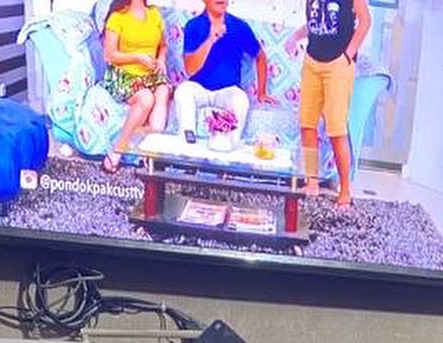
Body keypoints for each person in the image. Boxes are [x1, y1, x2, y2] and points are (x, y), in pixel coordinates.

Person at [286, 0, 370, 207]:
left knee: (336, 130)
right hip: (312, 61)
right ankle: (312, 181)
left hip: (338, 64)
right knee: (307, 124)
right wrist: (295, 37)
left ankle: (345, 190)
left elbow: (365, 21)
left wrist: (347, 56)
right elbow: (316, 24)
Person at [174, 0, 275, 143]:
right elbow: (190, 69)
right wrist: (210, 40)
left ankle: (230, 145)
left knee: (241, 100)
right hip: (199, 88)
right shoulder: (193, 26)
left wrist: (262, 92)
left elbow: (260, 56)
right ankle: (188, 143)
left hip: (228, 90)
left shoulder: (240, 27)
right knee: (183, 91)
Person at [101, 0, 172, 172]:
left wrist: (161, 59)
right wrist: (137, 57)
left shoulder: (154, 14)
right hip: (124, 74)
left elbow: (163, 45)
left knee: (163, 91)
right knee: (146, 98)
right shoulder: (117, 17)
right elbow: (110, 55)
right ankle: (118, 148)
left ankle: (151, 154)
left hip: (150, 74)